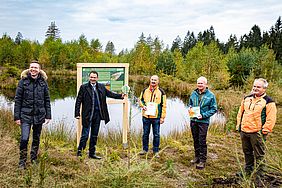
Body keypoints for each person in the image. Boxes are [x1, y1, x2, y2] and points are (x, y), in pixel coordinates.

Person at [75, 71, 125, 159]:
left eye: (94, 77)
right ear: (89, 77)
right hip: (87, 115)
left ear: (97, 78)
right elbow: (78, 101)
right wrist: (77, 113)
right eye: (91, 77)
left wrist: (120, 96)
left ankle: (92, 153)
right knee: (85, 135)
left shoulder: (101, 86)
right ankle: (80, 153)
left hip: (98, 115)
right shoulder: (84, 87)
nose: (93, 79)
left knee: (94, 135)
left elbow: (110, 94)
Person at [236, 78, 277, 185]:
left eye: (258, 87)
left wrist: (265, 131)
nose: (255, 88)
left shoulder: (269, 101)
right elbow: (241, 112)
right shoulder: (247, 98)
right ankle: (248, 171)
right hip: (244, 131)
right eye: (254, 86)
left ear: (264, 88)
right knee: (247, 152)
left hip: (257, 133)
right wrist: (239, 126)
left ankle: (260, 176)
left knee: (259, 155)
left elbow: (271, 118)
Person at [14, 60, 51, 169]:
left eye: (36, 67)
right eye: (32, 67)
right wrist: (17, 117)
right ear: (29, 69)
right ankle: (22, 161)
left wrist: (48, 115)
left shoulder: (43, 83)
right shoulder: (23, 82)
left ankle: (33, 158)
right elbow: (18, 100)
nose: (33, 69)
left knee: (36, 138)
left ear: (39, 70)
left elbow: (47, 100)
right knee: (24, 138)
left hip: (39, 115)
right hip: (25, 115)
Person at [188, 76, 217, 169]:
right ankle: (196, 157)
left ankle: (202, 160)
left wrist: (203, 115)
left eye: (202, 83)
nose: (200, 85)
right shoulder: (193, 93)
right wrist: (190, 109)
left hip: (203, 122)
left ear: (206, 84)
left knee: (202, 140)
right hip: (193, 120)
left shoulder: (211, 95)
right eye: (198, 83)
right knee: (195, 139)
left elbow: (214, 109)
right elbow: (190, 104)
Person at [139, 75, 167, 158]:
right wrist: (142, 106)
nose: (153, 81)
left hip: (156, 118)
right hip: (146, 117)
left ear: (158, 81)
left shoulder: (162, 92)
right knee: (145, 134)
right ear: (150, 80)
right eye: (152, 79)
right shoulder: (145, 90)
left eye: (155, 80)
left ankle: (156, 151)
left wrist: (162, 117)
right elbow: (140, 100)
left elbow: (164, 105)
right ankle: (145, 149)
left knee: (156, 135)